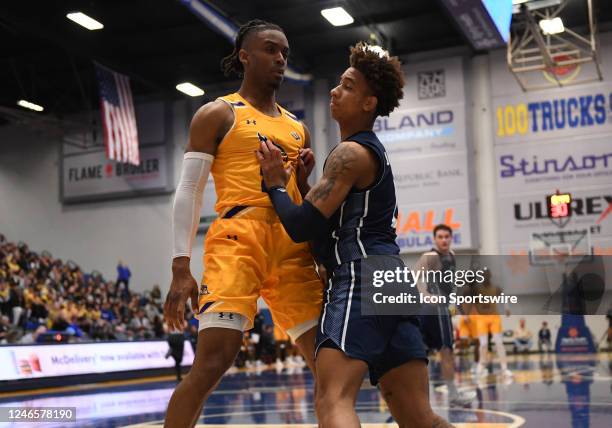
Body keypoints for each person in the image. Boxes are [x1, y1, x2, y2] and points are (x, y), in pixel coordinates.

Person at [257, 41, 451, 428]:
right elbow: (329, 225)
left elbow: (300, 226)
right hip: (393, 279)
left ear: (368, 103)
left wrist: (276, 184)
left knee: (333, 401)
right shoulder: (367, 154)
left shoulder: (349, 154)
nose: (334, 90)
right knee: (419, 417)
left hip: (362, 278)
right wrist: (304, 181)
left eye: (347, 85)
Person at [163, 20, 323, 427]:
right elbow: (190, 190)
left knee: (331, 363)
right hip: (238, 241)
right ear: (245, 56)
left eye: (285, 52)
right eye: (271, 49)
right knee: (212, 363)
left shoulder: (297, 127)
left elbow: (300, 202)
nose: (281, 59)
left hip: (291, 247)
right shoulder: (218, 113)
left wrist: (303, 182)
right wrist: (181, 266)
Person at [415, 224, 475, 406]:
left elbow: (450, 286)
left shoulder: (452, 256)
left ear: (451, 238)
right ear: (435, 239)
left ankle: (420, 400)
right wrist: (426, 295)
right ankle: (453, 396)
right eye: (440, 237)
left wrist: (456, 310)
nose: (443, 240)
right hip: (433, 309)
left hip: (443, 309)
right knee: (446, 353)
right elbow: (414, 276)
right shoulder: (431, 256)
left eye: (446, 237)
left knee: (430, 354)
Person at [471, 271, 513, 378]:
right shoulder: (477, 289)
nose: (485, 277)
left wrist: (507, 308)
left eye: (487, 275)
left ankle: (504, 368)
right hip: (481, 318)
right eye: (483, 276)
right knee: (483, 344)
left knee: (499, 343)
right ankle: (481, 366)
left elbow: (503, 296)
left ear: (490, 276)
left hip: (494, 317)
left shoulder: (495, 288)